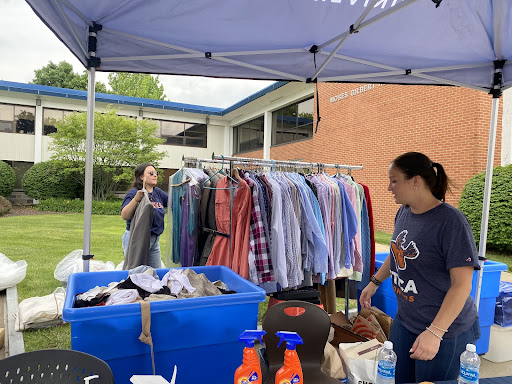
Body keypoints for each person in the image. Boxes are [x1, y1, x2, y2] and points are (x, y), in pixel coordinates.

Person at [359, 152, 480, 384]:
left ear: (416, 181)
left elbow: (462, 285)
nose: (389, 187)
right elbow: (396, 253)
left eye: (394, 181)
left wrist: (435, 333)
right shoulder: (404, 211)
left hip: (445, 331)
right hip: (406, 322)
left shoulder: (451, 223)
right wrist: (374, 282)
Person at [121, 163, 168, 268]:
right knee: (135, 272)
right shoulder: (134, 193)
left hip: (154, 239)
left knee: (155, 273)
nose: (155, 175)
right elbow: (124, 215)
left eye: (156, 173)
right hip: (136, 238)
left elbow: (173, 202)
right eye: (151, 173)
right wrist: (136, 200)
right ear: (141, 177)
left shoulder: (158, 193)